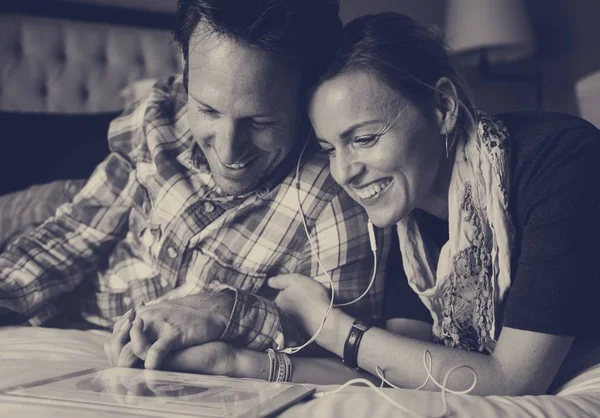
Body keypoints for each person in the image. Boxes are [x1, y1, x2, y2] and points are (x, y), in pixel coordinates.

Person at [168, 12, 600, 395]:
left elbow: (513, 379)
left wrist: (329, 322)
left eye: (364, 139)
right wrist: (241, 364)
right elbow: (400, 371)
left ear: (444, 106)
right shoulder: (406, 220)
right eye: (330, 148)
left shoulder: (562, 162)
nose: (345, 172)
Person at [0, 0, 393, 372]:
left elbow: (335, 349)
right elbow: (75, 232)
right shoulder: (161, 115)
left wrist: (226, 310)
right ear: (186, 70)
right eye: (207, 110)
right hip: (77, 294)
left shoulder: (340, 198)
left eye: (260, 122)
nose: (227, 151)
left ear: (308, 99)